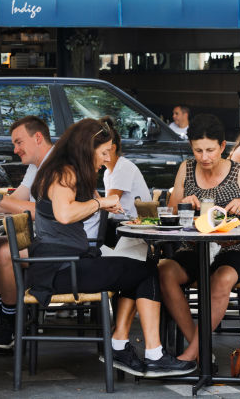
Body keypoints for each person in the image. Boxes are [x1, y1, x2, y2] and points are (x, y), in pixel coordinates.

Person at [28, 118, 194, 377]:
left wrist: (99, 200)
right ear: (86, 148)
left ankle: (127, 347)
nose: (106, 159)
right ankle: (149, 353)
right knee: (148, 271)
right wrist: (100, 203)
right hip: (61, 268)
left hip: (65, 263)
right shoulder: (64, 172)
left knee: (139, 270)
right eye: (103, 152)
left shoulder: (63, 169)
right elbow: (63, 213)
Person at [0, 115, 102, 349]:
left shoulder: (58, 165)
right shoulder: (36, 166)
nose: (15, 149)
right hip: (48, 239)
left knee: (4, 253)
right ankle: (4, 314)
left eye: (19, 142)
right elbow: (16, 201)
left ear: (38, 137)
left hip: (70, 245)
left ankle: (11, 323)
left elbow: (41, 211)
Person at [158, 113, 240, 363]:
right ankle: (200, 347)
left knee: (222, 278)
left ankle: (190, 355)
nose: (205, 157)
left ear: (223, 146)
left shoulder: (239, 171)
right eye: (198, 150)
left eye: (211, 150)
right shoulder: (186, 169)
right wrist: (183, 205)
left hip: (236, 250)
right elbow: (170, 212)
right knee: (164, 270)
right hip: (194, 248)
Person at [99, 115, 150, 220]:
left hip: (135, 225)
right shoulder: (107, 172)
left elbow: (109, 203)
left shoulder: (123, 167)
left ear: (112, 148)